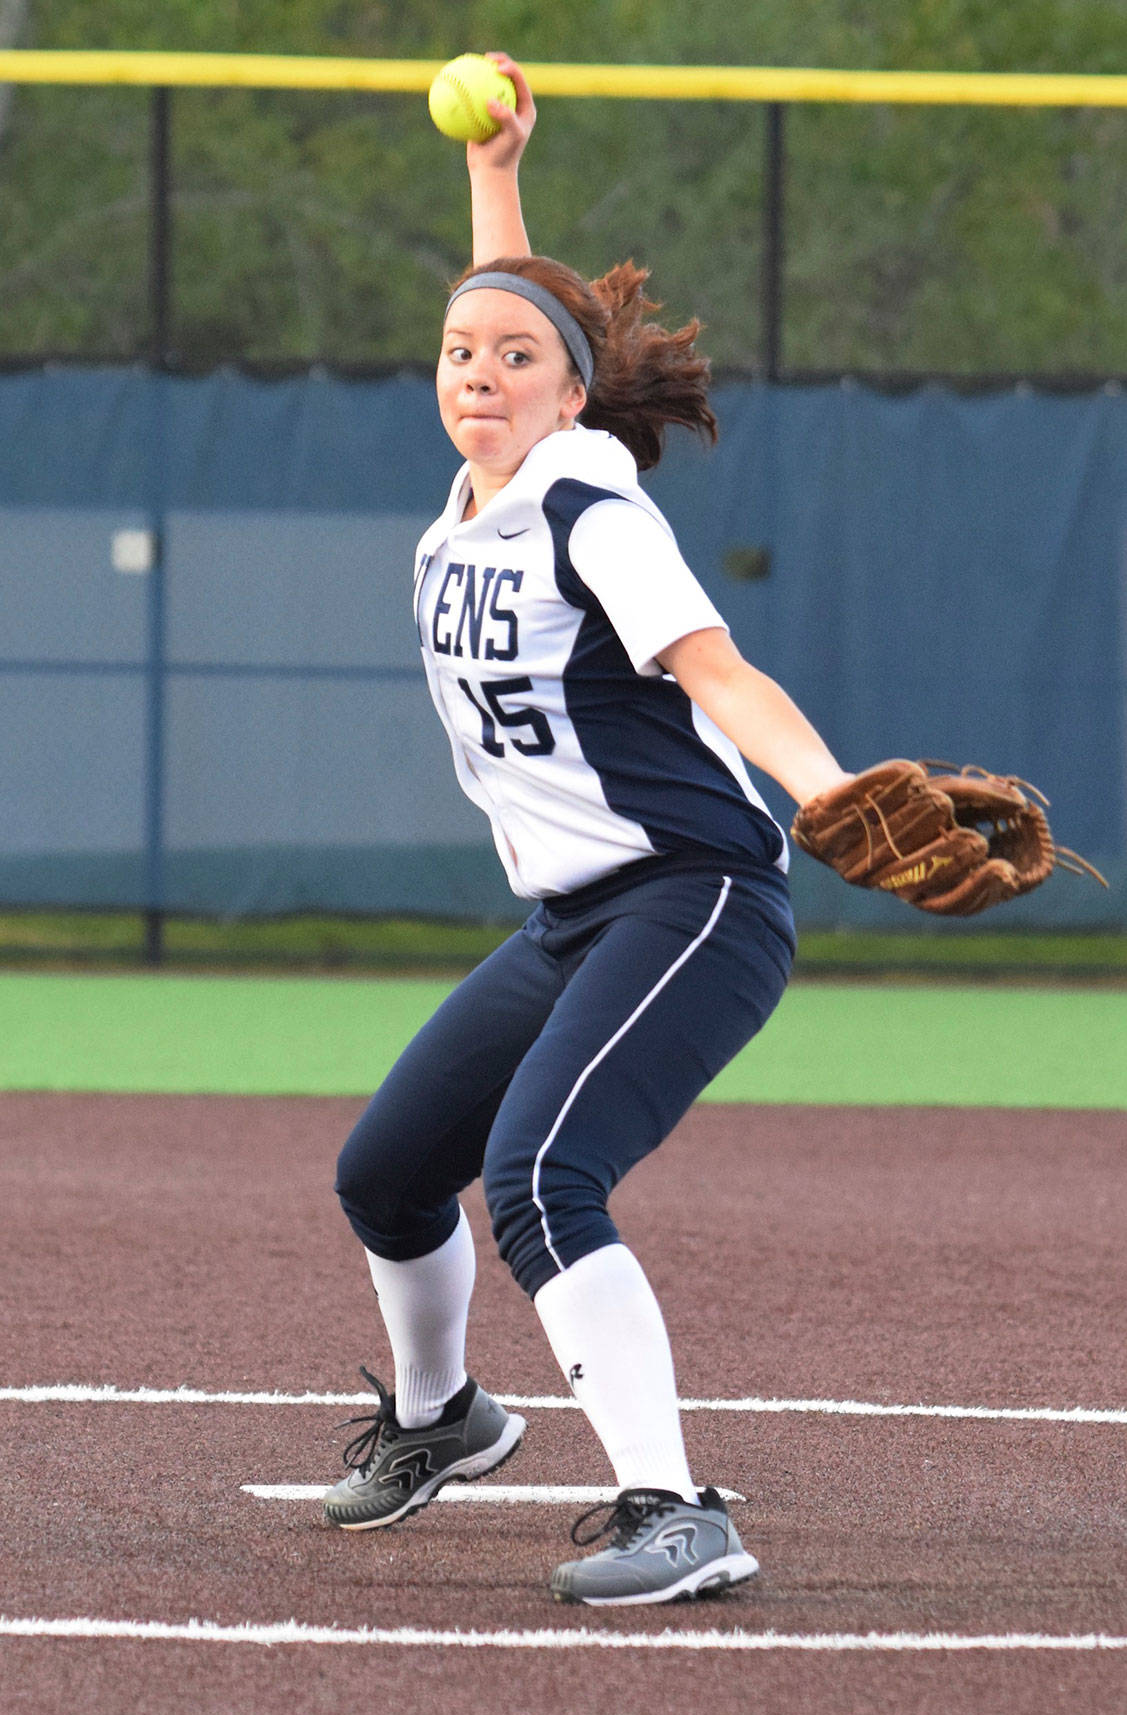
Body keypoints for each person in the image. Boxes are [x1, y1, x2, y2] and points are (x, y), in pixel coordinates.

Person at [323, 53, 852, 1606]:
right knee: (388, 1175)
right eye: (454, 352)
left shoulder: (589, 506)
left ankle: (675, 1508)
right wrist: (493, 166)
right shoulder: (472, 501)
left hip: (693, 897)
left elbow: (718, 674)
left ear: (573, 392)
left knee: (543, 1178)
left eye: (512, 358)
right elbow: (508, 292)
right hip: (568, 921)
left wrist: (828, 798)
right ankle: (442, 1421)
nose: (475, 371)